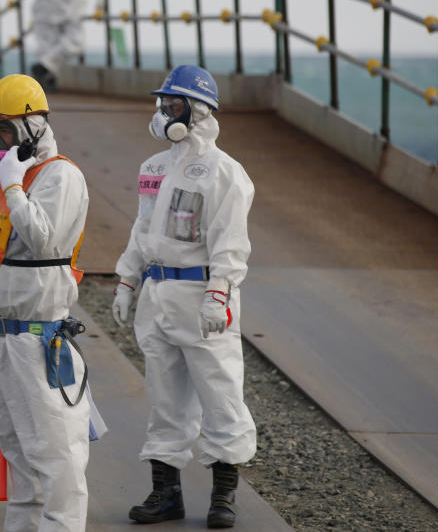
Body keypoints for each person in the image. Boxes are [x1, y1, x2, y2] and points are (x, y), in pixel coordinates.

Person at [112, 64, 257, 529]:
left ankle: (223, 497)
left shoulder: (225, 172)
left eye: (173, 105)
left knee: (221, 395)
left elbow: (230, 241)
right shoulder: (153, 168)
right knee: (164, 397)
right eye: (163, 104)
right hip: (158, 297)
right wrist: (127, 279)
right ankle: (165, 494)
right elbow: (143, 228)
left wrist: (220, 293)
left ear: (198, 111)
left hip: (201, 298)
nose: (164, 113)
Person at [0, 74, 91, 531]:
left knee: (55, 451)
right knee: (17, 451)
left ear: (34, 126)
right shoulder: (6, 178)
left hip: (38, 339)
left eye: (8, 130)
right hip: (1, 339)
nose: (0, 141)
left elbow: (42, 238)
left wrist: (13, 188)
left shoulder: (61, 175)